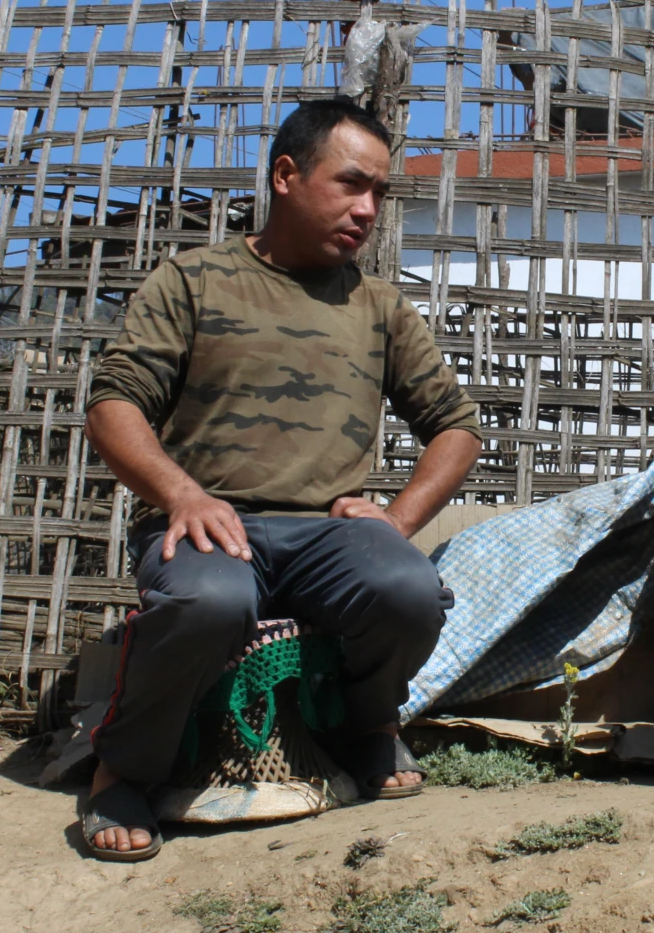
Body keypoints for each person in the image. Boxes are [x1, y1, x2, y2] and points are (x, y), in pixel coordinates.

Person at [80, 99, 482, 859]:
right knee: (209, 601)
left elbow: (456, 426)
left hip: (325, 536)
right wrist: (181, 495)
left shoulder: (379, 307)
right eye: (352, 185)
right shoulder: (193, 281)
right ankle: (120, 771)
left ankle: (369, 726)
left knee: (407, 588)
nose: (368, 211)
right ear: (287, 176)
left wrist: (396, 522)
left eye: (380, 195)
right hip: (211, 527)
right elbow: (113, 404)